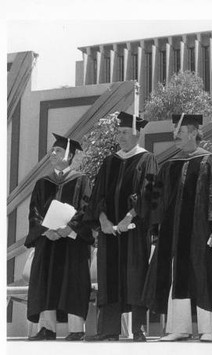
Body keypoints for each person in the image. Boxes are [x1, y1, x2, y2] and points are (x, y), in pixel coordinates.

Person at [142, 114, 212, 342]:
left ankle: (208, 328)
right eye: (175, 131)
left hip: (204, 231)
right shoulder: (170, 165)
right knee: (177, 276)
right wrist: (157, 230)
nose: (175, 135)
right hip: (174, 234)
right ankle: (179, 327)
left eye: (179, 132)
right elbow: (157, 200)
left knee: (206, 274)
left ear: (193, 132)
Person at [84, 111, 158, 342]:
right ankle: (109, 330)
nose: (121, 137)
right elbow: (98, 197)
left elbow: (150, 194)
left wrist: (129, 218)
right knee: (109, 277)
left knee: (136, 276)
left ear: (137, 134)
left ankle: (138, 329)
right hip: (110, 233)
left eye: (126, 132)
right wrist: (104, 222)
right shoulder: (110, 162)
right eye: (119, 132)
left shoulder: (147, 160)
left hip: (134, 232)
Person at [25, 134, 94, 341]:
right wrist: (47, 231)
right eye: (52, 151)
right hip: (48, 241)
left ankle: (76, 329)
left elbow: (86, 209)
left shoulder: (82, 180)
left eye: (58, 151)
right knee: (46, 280)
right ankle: (47, 328)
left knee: (73, 281)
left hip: (72, 242)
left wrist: (70, 228)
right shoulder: (42, 183)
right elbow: (34, 213)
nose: (52, 154)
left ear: (70, 155)